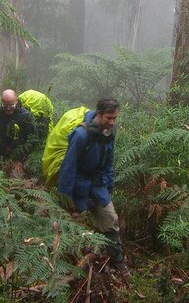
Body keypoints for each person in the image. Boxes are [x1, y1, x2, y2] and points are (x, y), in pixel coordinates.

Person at [56, 98, 130, 277]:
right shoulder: (81, 135)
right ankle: (63, 265)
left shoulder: (110, 132)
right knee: (69, 225)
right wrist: (66, 198)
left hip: (98, 187)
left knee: (111, 220)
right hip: (78, 186)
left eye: (115, 118)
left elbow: (109, 161)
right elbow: (68, 166)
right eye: (108, 118)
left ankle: (117, 260)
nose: (112, 122)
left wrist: (108, 187)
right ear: (98, 114)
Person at [0, 89, 35, 167]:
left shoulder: (25, 116)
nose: (8, 108)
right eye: (5, 105)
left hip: (21, 160)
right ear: (1, 102)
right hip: (2, 158)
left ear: (16, 101)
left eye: (11, 105)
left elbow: (32, 139)